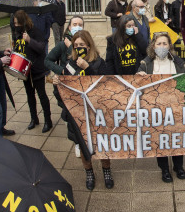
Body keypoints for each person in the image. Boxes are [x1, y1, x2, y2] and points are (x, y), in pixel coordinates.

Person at [51, 30, 112, 190]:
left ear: (89, 45)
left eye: (82, 45)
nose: (79, 48)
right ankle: (89, 172)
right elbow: (61, 95)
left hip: (96, 114)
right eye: (76, 45)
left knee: (102, 146)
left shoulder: (99, 62)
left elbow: (105, 87)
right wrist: (57, 84)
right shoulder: (69, 65)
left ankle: (107, 170)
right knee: (84, 147)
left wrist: (88, 69)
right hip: (77, 115)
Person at [137, 32, 185, 182]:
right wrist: (138, 76)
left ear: (170, 46)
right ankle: (164, 169)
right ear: (153, 45)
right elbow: (137, 82)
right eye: (159, 44)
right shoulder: (146, 64)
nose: (162, 47)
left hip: (175, 107)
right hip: (156, 109)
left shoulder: (177, 62)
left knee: (177, 138)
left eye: (165, 43)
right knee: (161, 139)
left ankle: (178, 167)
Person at [46, 15, 84, 156]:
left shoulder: (85, 43)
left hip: (81, 86)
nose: (78, 26)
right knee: (70, 116)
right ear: (69, 27)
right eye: (75, 24)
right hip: (65, 87)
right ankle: (77, 143)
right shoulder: (62, 45)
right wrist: (60, 71)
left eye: (80, 24)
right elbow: (48, 60)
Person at [12, 10, 52, 133]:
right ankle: (34, 118)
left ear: (23, 22)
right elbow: (19, 49)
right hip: (25, 71)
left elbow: (41, 48)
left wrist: (30, 40)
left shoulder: (35, 32)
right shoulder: (17, 34)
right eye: (14, 23)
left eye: (17, 23)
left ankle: (48, 120)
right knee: (30, 96)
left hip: (37, 69)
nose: (15, 26)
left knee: (42, 95)